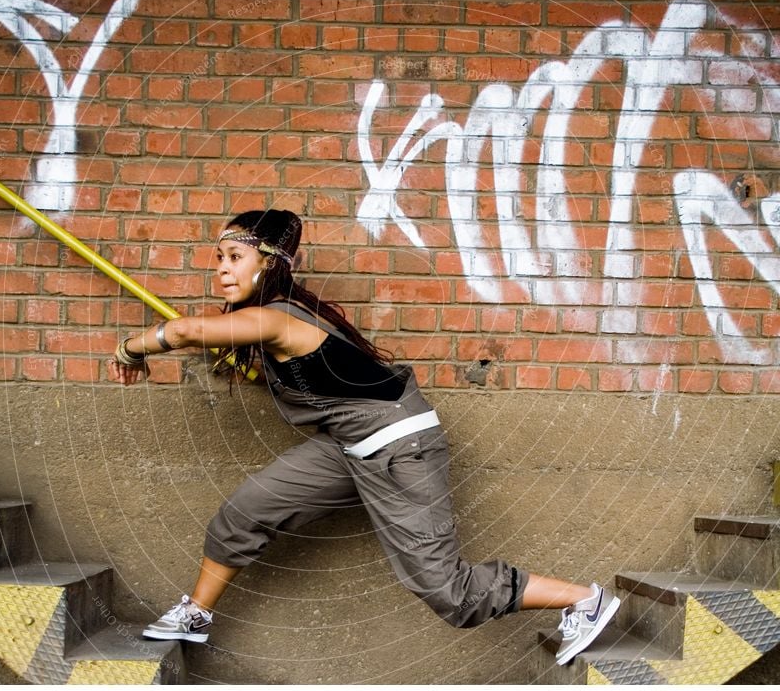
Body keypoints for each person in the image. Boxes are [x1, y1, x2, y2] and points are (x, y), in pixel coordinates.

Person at [108, 208, 619, 667]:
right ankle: (196, 615)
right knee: (244, 512)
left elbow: (184, 333)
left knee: (450, 592)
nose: (221, 268)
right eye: (218, 257)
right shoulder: (267, 325)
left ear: (269, 263)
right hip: (350, 446)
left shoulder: (277, 318)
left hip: (401, 449)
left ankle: (583, 600)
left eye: (235, 257)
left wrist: (129, 350)